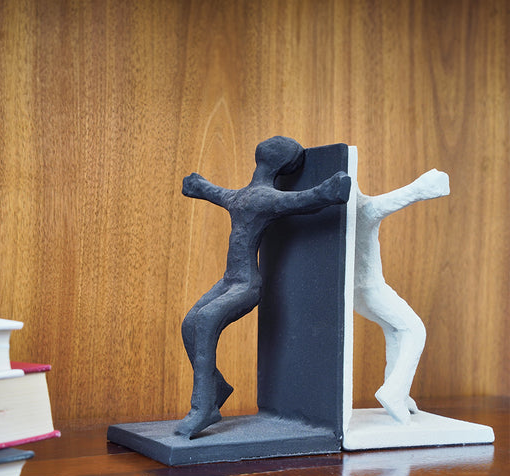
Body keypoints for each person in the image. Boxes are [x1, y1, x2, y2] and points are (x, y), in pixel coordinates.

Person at [177, 136, 351, 438]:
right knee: (189, 323)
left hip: (245, 284)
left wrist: (329, 191)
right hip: (228, 280)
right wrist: (199, 186)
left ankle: (203, 407)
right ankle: (215, 388)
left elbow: (302, 201)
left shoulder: (266, 198)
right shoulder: (244, 195)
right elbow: (216, 192)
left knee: (204, 321)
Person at [354, 169, 450, 424]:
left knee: (395, 329)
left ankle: (399, 391)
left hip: (356, 294)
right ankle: (394, 392)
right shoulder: (365, 208)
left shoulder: (336, 216)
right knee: (414, 329)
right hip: (371, 288)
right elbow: (407, 194)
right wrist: (427, 185)